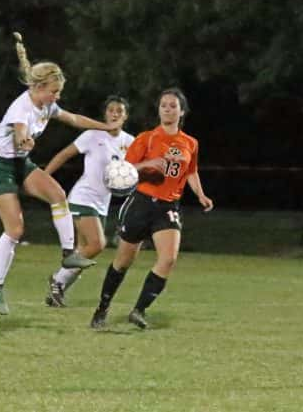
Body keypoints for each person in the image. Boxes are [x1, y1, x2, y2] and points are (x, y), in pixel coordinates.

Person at [0, 32, 123, 315]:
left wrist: (103, 127)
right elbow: (21, 133)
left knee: (59, 195)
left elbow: (72, 118)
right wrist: (25, 142)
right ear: (39, 87)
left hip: (21, 164)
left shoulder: (46, 105)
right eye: (53, 91)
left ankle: (68, 255)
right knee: (16, 230)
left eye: (58, 92)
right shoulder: (21, 108)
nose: (56, 97)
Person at [89, 87, 214, 329]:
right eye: (163, 105)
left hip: (168, 206)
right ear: (158, 110)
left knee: (168, 259)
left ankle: (138, 310)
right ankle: (102, 308)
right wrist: (150, 163)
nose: (167, 109)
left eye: (173, 105)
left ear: (182, 111)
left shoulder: (190, 143)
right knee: (123, 261)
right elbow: (123, 171)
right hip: (142, 203)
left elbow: (191, 170)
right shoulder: (147, 138)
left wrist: (200, 194)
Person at [43, 95, 135, 307]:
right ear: (105, 114)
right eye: (111, 110)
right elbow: (64, 154)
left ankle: (57, 292)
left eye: (119, 111)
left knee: (83, 250)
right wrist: (45, 176)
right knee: (97, 244)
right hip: (83, 197)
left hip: (102, 203)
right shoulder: (92, 135)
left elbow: (136, 169)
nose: (114, 114)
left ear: (125, 116)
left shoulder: (130, 142)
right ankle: (57, 280)